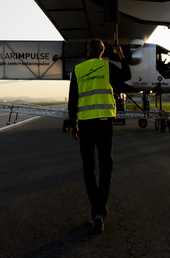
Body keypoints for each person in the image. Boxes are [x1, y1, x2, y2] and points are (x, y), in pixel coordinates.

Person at [68, 38, 130, 235]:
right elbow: (127, 75)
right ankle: (101, 210)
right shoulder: (107, 67)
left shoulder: (77, 70)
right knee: (106, 166)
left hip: (86, 123)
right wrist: (121, 55)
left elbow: (72, 101)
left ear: (87, 52)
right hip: (104, 123)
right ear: (102, 52)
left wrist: (73, 125)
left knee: (89, 168)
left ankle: (95, 210)